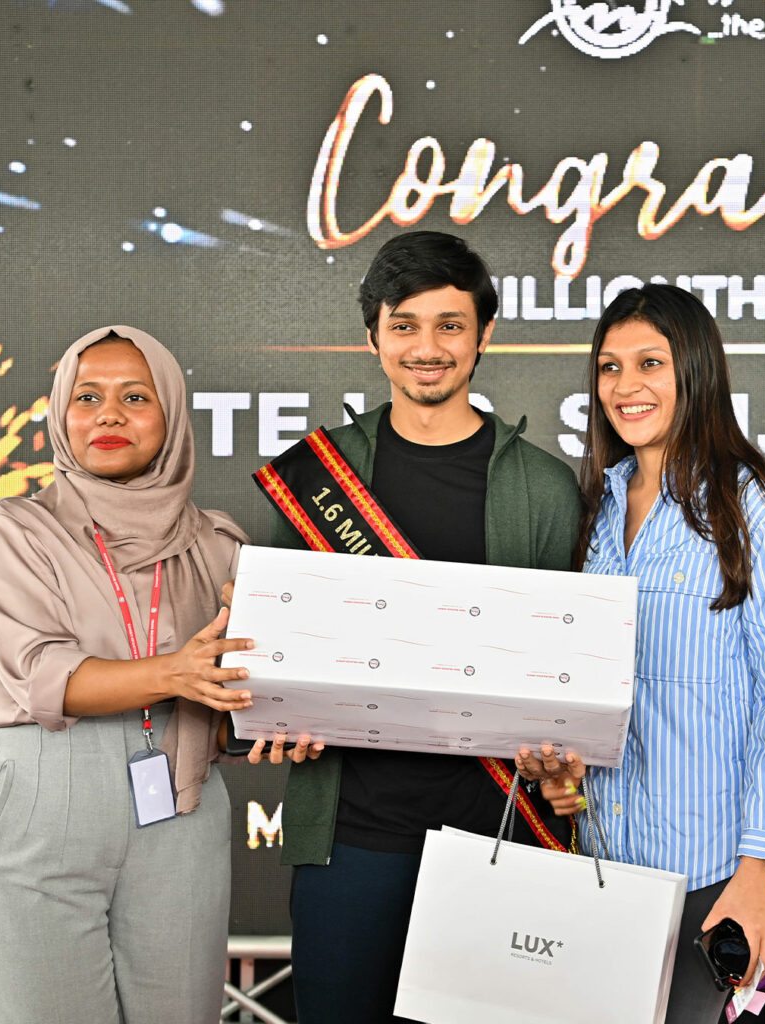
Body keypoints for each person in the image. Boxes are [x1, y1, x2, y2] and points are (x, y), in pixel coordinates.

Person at [245, 231, 582, 1023]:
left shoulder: (543, 487)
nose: (426, 348)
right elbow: (273, 650)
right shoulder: (317, 474)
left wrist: (563, 755)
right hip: (351, 838)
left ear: (483, 334)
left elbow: (569, 670)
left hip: (498, 834)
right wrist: (278, 716)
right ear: (372, 336)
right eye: (404, 325)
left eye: (449, 325)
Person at [519, 284, 765, 1024]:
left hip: (708, 876)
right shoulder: (598, 507)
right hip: (602, 864)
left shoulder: (751, 508)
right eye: (609, 367)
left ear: (696, 371)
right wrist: (564, 769)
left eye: (650, 363)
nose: (626, 386)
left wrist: (759, 866)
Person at [0, 326, 256, 1024]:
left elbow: (241, 692)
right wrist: (178, 672)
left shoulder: (218, 545)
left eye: (136, 397)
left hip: (181, 793)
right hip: (45, 788)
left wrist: (278, 721)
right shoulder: (14, 531)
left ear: (171, 416)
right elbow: (44, 675)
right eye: (87, 397)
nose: (108, 414)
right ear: (61, 413)